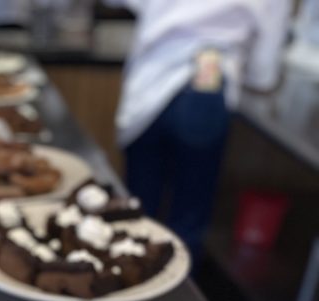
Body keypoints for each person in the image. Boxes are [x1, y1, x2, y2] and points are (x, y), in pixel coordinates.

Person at [107, 0, 291, 260]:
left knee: (136, 210)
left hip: (150, 83)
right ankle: (174, 296)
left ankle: (126, 285)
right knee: (187, 218)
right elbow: (264, 68)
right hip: (209, 79)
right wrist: (259, 78)